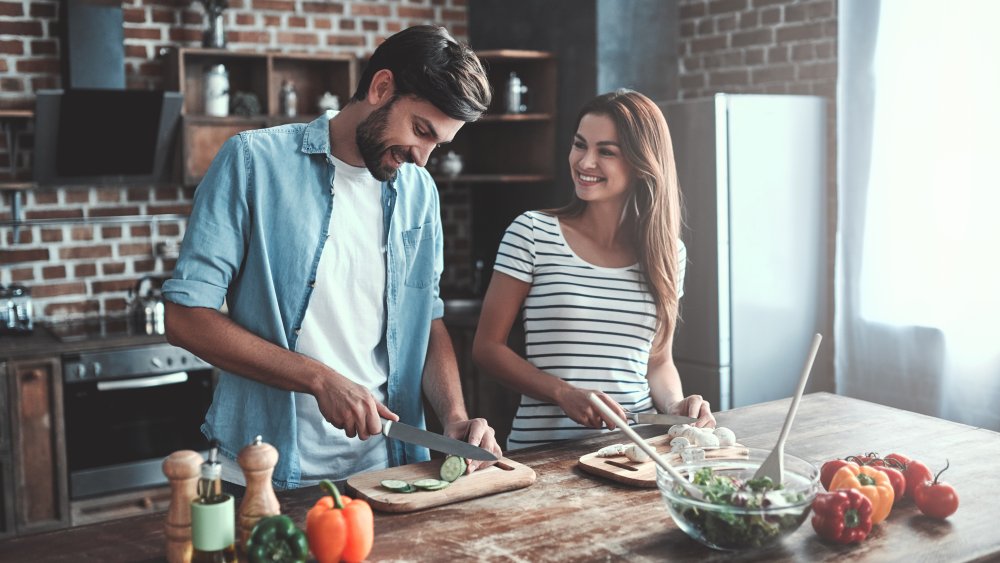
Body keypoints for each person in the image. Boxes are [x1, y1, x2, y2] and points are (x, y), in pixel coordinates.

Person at [162, 25, 502, 490]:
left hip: (389, 471)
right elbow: (185, 318)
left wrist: (456, 418)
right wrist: (319, 379)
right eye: (421, 130)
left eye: (437, 144)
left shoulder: (419, 191)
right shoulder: (252, 163)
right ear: (381, 88)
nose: (423, 158)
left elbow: (428, 319)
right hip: (267, 472)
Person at [472, 89, 715, 449]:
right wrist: (563, 393)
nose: (585, 162)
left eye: (606, 151)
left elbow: (657, 363)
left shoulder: (668, 253)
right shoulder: (532, 233)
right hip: (544, 453)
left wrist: (675, 406)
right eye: (579, 145)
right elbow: (486, 349)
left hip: (635, 451)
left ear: (640, 162)